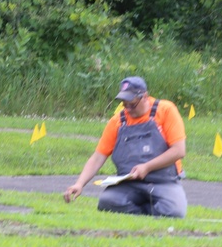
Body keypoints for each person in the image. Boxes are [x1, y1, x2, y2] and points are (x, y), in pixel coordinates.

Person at [64, 76, 187, 217]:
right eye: (124, 104)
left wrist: (147, 167)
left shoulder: (166, 110)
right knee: (107, 202)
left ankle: (152, 207)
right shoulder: (117, 121)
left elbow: (179, 151)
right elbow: (98, 157)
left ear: (145, 97)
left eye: (132, 104)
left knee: (174, 212)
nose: (127, 109)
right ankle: (146, 211)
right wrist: (79, 184)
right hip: (128, 184)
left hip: (164, 182)